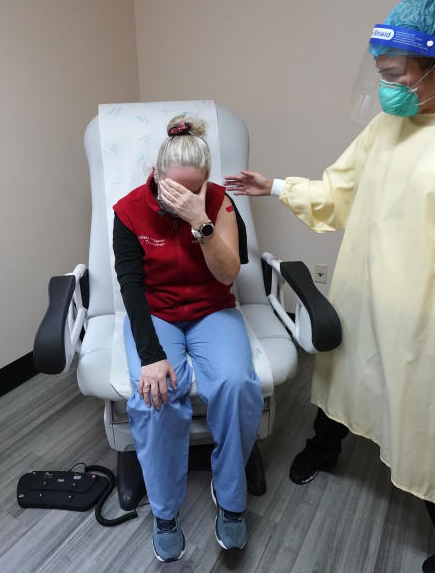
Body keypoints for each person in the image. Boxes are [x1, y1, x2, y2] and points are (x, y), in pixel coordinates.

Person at [225, 0, 435, 573]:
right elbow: (339, 194)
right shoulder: (386, 128)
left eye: (398, 74)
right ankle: (325, 449)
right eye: (381, 73)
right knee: (345, 380)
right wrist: (273, 186)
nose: (387, 87)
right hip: (368, 293)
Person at [113, 114, 264, 562]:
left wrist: (200, 220)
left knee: (236, 385)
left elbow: (228, 273)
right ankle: (164, 510)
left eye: (193, 188)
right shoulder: (128, 211)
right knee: (154, 394)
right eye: (172, 188)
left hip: (211, 309)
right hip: (155, 312)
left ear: (205, 182)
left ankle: (231, 497)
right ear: (157, 175)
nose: (180, 197)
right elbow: (130, 286)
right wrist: (151, 355)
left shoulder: (219, 203)